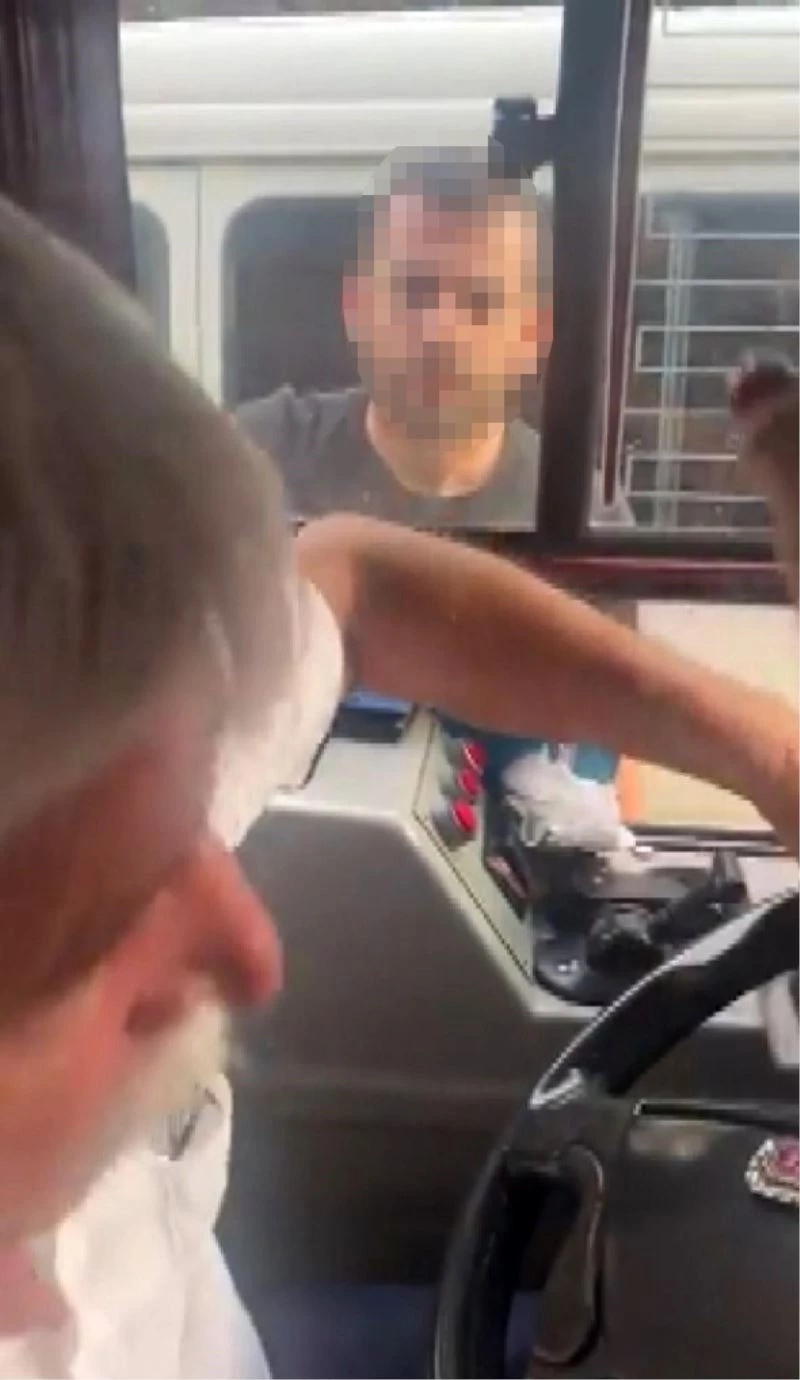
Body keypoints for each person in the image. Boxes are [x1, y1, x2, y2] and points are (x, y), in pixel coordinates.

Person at [0, 190, 796, 1379]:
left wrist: (772, 756)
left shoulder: (79, 724)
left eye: (190, 819)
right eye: (108, 906)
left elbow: (355, 587)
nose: (250, 954)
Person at [238, 145, 558, 529]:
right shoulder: (252, 460)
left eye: (481, 301)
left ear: (533, 334)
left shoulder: (571, 508)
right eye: (412, 292)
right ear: (356, 306)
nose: (440, 332)